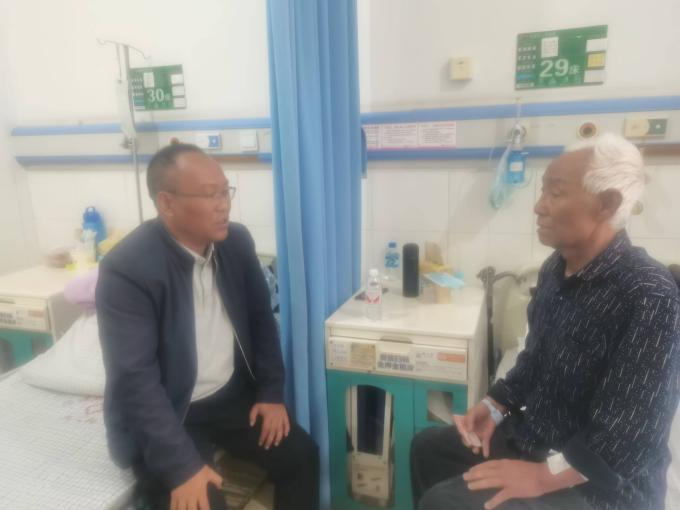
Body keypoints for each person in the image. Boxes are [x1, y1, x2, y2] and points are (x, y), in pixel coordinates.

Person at [411, 134, 680, 510]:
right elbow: (534, 360)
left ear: (606, 204)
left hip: (602, 482)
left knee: (445, 502)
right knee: (429, 449)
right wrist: (493, 406)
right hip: (537, 438)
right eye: (543, 191)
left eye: (555, 193)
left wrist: (542, 476)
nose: (539, 207)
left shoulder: (648, 294)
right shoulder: (556, 268)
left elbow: (628, 437)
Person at [96, 143, 319, 510]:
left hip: (230, 398)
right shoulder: (127, 270)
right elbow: (135, 379)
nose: (223, 205)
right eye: (209, 194)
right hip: (171, 412)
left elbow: (261, 320)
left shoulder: (235, 243)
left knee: (302, 456)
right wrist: (181, 467)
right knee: (204, 504)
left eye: (225, 191)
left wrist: (270, 392)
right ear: (167, 203)